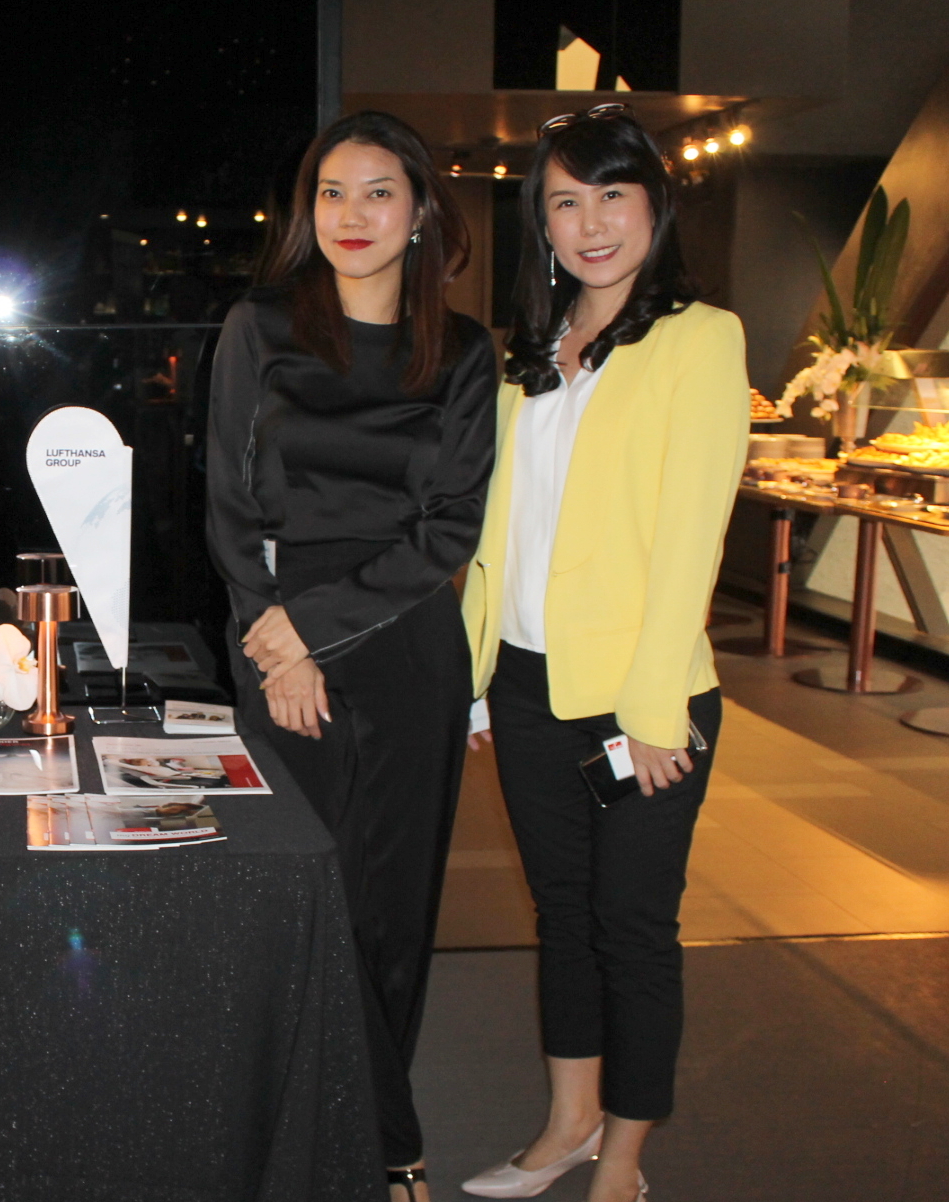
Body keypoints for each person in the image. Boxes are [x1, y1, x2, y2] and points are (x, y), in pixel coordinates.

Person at [457, 105, 748, 1202]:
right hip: (527, 682)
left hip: (642, 699)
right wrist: (477, 682)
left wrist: (655, 710)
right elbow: (496, 534)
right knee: (563, 916)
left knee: (632, 926)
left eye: (611, 196)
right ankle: (568, 1122)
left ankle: (622, 1153)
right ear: (540, 222)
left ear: (655, 204)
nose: (590, 224)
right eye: (564, 202)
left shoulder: (699, 337)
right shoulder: (527, 354)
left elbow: (690, 538)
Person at [206, 110, 497, 1202]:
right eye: (332, 192)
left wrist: (310, 629)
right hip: (274, 630)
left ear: (420, 213)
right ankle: (380, 1132)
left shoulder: (463, 351)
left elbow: (450, 527)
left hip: (405, 635)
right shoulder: (261, 326)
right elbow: (228, 505)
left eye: (379, 191)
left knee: (395, 904)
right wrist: (276, 641)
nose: (352, 214)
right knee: (304, 886)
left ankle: (372, 1135)